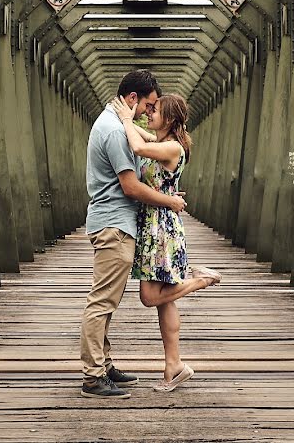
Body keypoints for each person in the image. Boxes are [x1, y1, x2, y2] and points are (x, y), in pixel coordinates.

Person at [80, 70, 188, 400]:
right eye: (148, 105)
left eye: (155, 109)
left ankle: (104, 364)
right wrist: (171, 200)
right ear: (132, 99)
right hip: (113, 224)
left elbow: (147, 147)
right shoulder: (114, 131)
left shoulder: (117, 126)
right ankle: (93, 376)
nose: (147, 112)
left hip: (119, 223)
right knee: (102, 301)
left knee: (107, 301)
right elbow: (129, 186)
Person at [110, 92, 221, 393]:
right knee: (165, 299)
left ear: (169, 119)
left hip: (161, 227)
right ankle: (174, 365)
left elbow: (136, 144)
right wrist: (128, 118)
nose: (149, 113)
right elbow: (143, 136)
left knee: (149, 297)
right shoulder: (164, 142)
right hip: (156, 221)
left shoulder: (171, 147)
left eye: (155, 110)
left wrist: (125, 118)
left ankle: (200, 281)